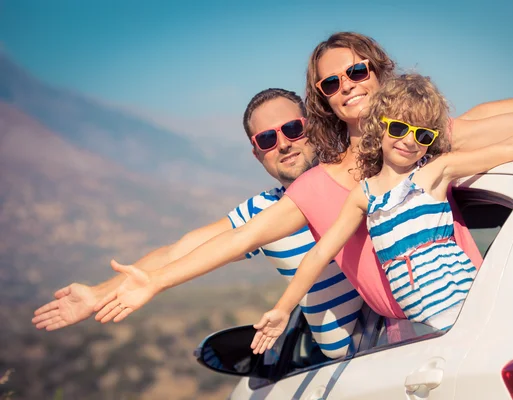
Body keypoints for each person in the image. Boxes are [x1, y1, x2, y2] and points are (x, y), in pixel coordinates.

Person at [92, 32, 513, 331]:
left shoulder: (425, 140)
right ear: (324, 100)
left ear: (378, 72)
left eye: (356, 72)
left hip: (474, 316)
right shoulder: (314, 188)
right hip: (409, 341)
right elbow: (236, 239)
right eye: (331, 83)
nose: (347, 86)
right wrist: (151, 280)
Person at [249, 74, 513, 353]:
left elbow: (512, 148)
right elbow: (321, 252)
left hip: (470, 314)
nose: (409, 141)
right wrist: (282, 309)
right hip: (426, 333)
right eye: (399, 128)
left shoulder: (433, 173)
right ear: (380, 126)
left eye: (423, 134)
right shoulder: (364, 196)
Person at [32, 88, 364, 359]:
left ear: (311, 127)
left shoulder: (354, 178)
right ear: (256, 153)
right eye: (267, 139)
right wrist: (96, 294)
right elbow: (179, 251)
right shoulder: (260, 211)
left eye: (293, 129)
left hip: (389, 351)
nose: (284, 143)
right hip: (351, 374)